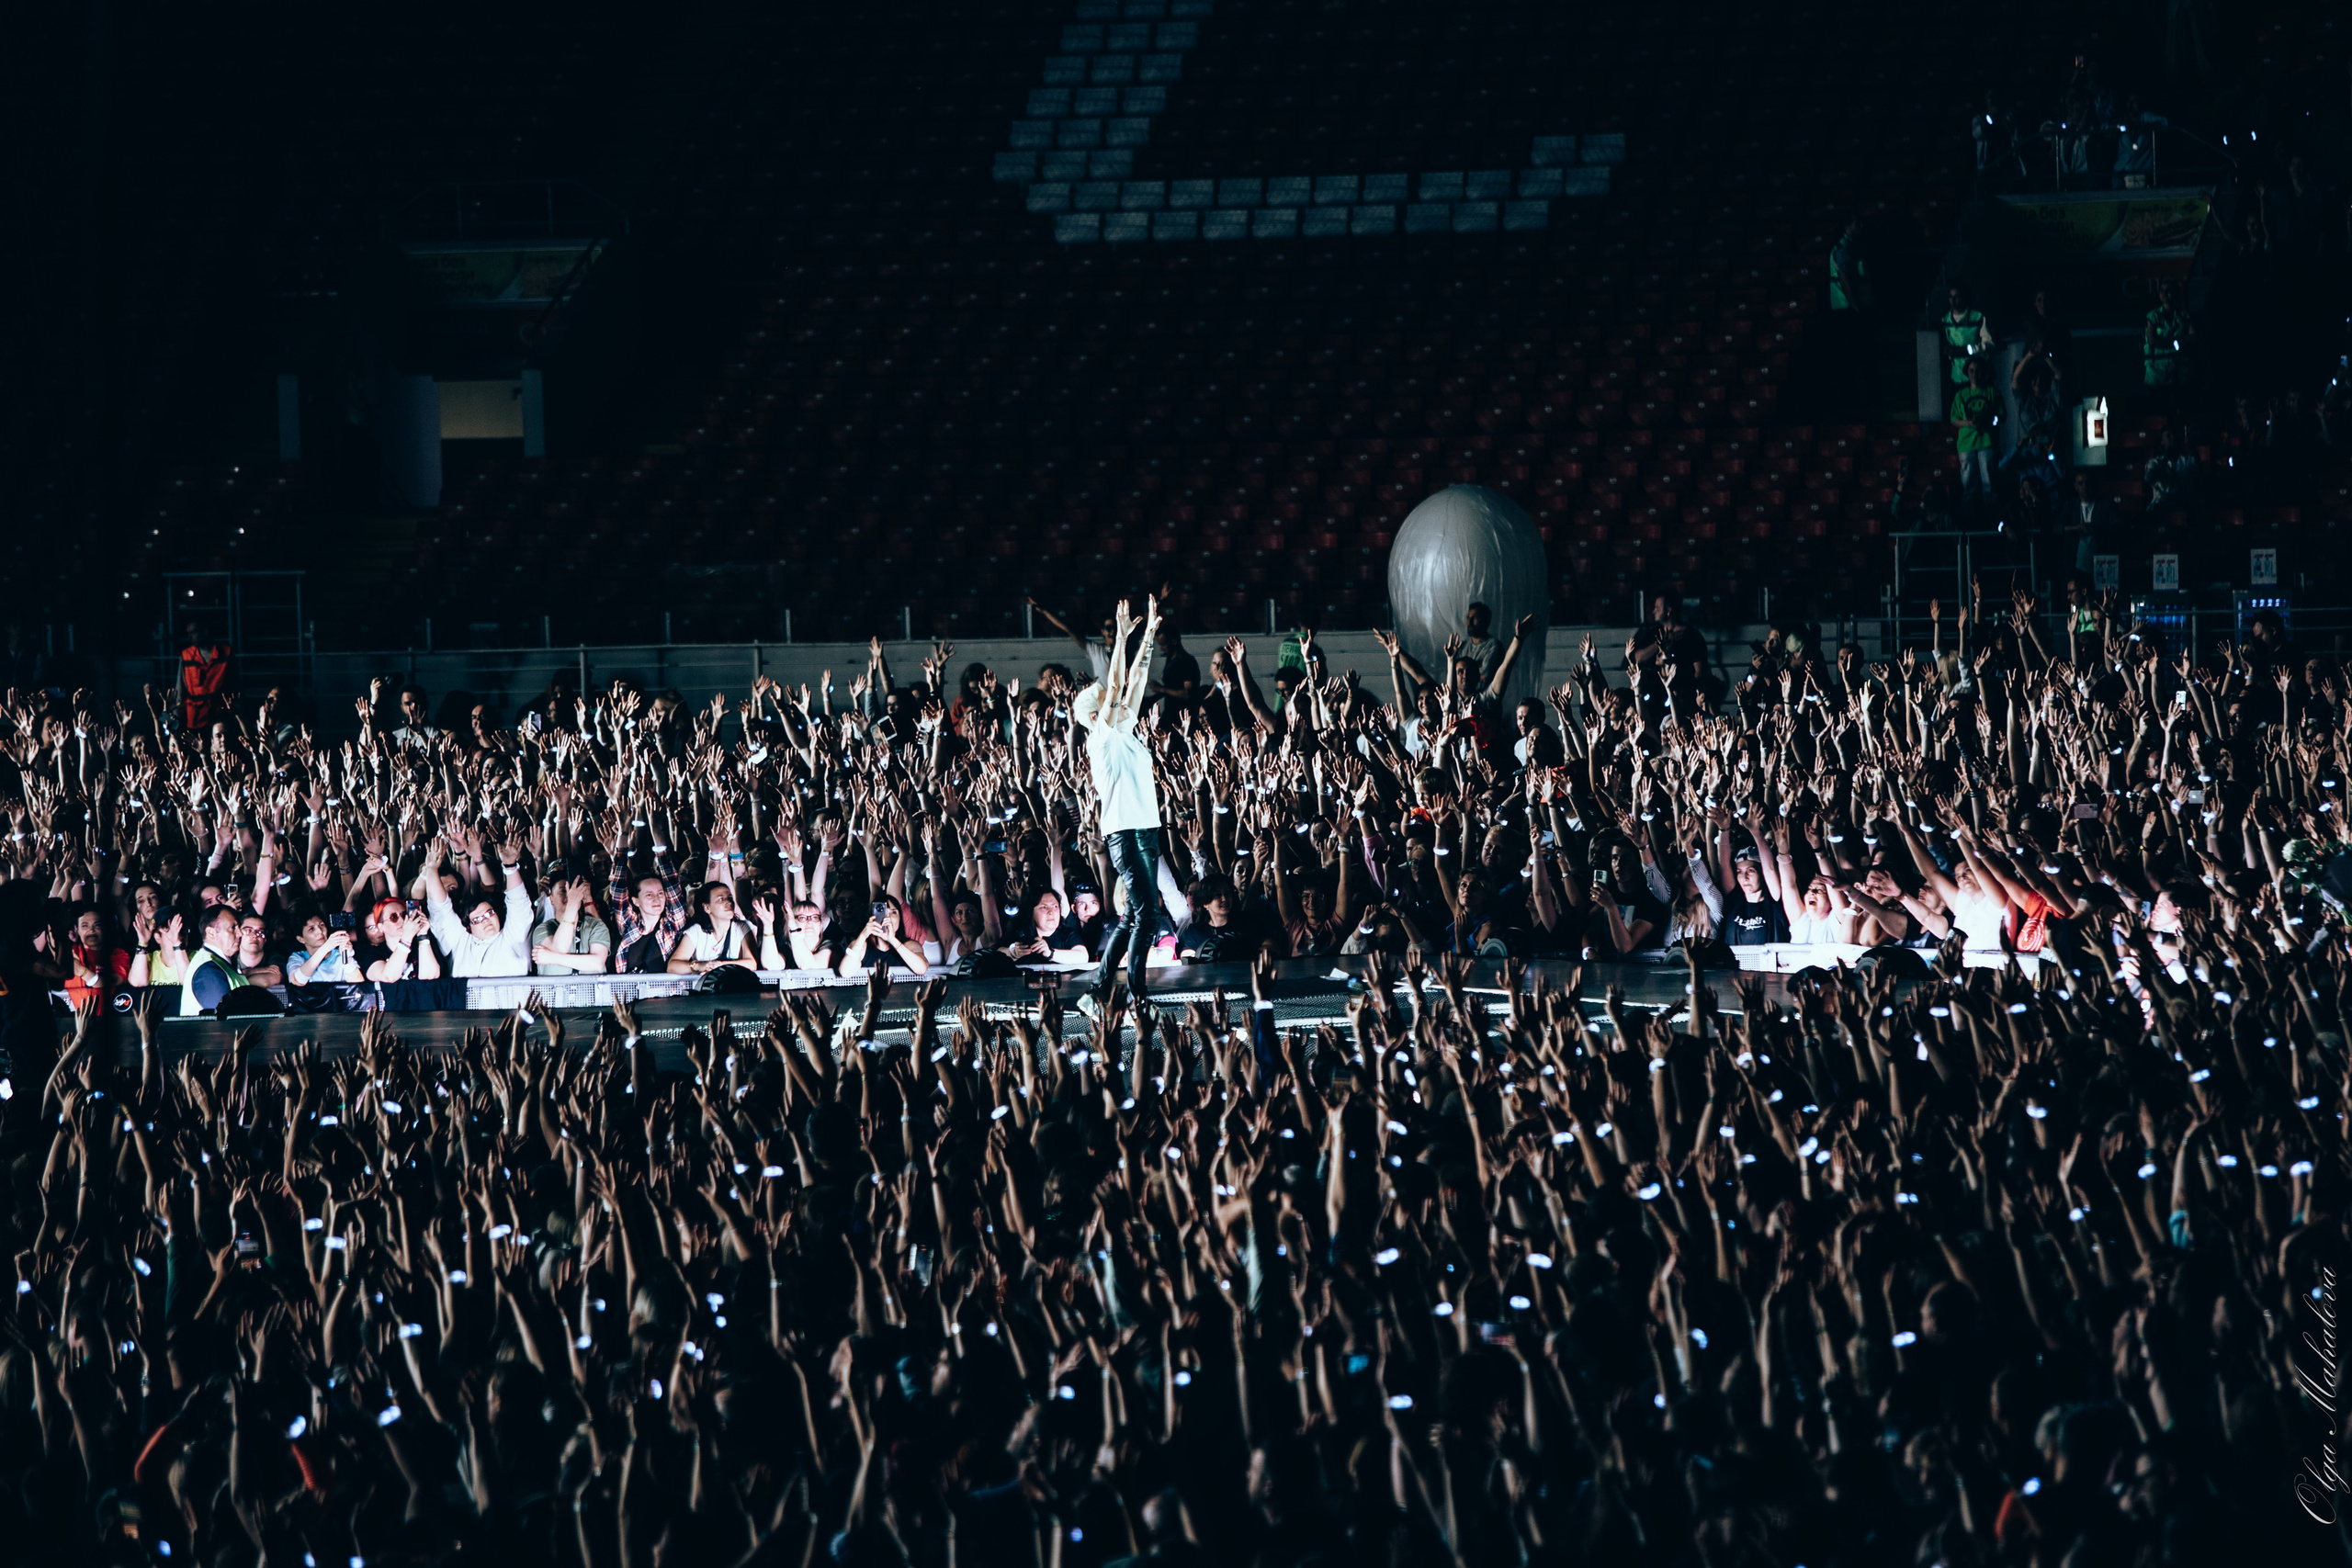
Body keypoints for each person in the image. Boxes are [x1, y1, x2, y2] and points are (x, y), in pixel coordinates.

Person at [1076, 595, 1167, 1021]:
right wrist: (1123, 637)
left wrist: (1147, 634)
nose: (1115, 701)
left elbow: (1134, 681)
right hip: (1126, 834)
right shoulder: (1102, 737)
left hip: (1142, 829)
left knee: (1135, 915)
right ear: (1096, 714)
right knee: (1148, 914)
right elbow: (1115, 686)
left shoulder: (1123, 730)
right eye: (1106, 702)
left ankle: (1097, 991)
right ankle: (1135, 995)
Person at [1952, 357, 1999, 527]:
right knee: (1969, 485)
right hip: (1966, 444)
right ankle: (1969, 523)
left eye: (1977, 370)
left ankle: (1992, 521)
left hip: (1986, 442)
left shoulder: (1992, 392)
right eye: (1971, 370)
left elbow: (2001, 416)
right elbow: (1954, 419)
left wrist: (1989, 421)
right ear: (1967, 372)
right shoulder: (1961, 395)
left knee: (1989, 484)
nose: (1974, 374)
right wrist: (1968, 423)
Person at [179, 903, 249, 1015]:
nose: (240, 933)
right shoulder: (207, 971)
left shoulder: (219, 962)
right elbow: (225, 1019)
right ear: (211, 933)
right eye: (233, 928)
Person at [2142, 278, 2193, 401]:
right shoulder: (2153, 316)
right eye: (2162, 291)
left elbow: (2193, 337)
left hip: (2180, 372)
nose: (2164, 294)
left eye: (2168, 290)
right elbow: (2152, 340)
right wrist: (2176, 342)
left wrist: (2168, 342)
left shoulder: (2185, 315)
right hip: (2157, 373)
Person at [177, 619, 232, 735]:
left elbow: (234, 687)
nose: (190, 637)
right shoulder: (186, 656)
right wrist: (173, 721)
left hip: (218, 720)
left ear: (205, 632)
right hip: (194, 721)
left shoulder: (226, 653)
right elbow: (180, 691)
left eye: (193, 632)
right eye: (188, 633)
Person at [1939, 285, 1991, 391]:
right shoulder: (1945, 320)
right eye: (1950, 297)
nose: (1953, 301)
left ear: (1964, 297)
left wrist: (1966, 350)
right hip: (1957, 377)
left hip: (1977, 376)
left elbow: (1989, 344)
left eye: (1957, 297)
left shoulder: (1978, 317)